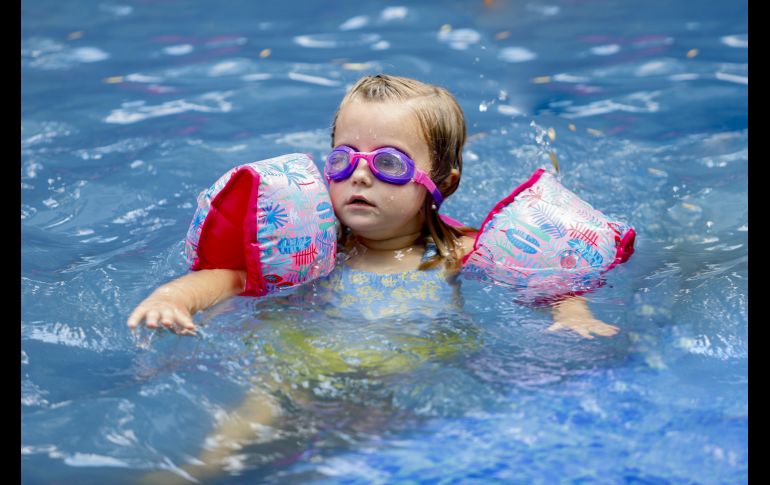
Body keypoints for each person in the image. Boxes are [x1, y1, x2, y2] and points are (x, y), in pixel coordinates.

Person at [128, 74, 619, 482]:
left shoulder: (460, 252)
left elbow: (548, 283)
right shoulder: (313, 248)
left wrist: (573, 313)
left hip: (410, 376)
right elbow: (230, 277)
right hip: (299, 367)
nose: (359, 176)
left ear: (442, 183)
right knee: (240, 431)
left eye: (388, 163)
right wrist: (175, 298)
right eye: (344, 159)